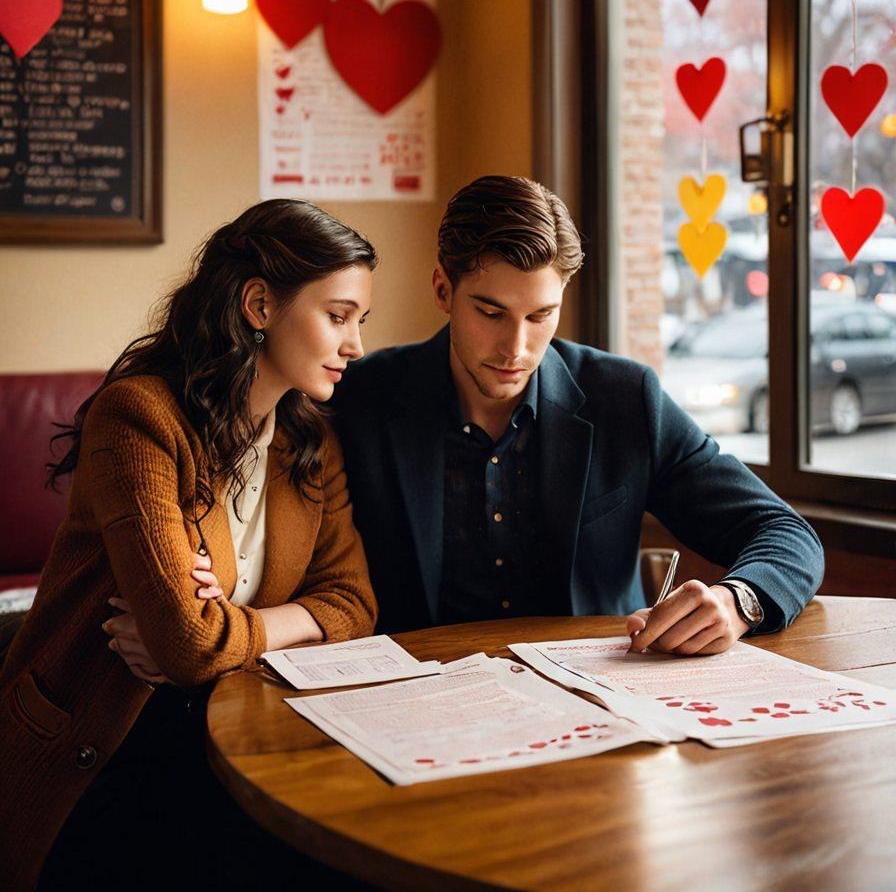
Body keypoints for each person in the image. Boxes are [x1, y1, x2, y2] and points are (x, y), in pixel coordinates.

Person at [0, 200, 378, 892]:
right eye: (338, 315)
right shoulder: (139, 417)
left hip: (231, 722)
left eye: (360, 320)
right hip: (101, 744)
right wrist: (272, 629)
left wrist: (233, 630)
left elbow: (354, 603)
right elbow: (182, 643)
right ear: (260, 304)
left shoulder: (309, 442)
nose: (355, 344)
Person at [331, 175, 824, 649]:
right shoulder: (359, 400)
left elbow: (785, 534)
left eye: (540, 315)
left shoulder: (626, 397)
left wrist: (740, 602)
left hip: (596, 697)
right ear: (443, 291)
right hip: (420, 701)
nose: (515, 348)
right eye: (490, 312)